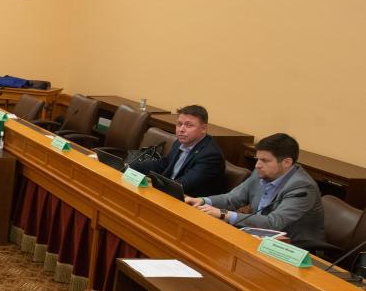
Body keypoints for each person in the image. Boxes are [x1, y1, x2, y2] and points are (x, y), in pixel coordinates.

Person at [186, 132, 325, 248]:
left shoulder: (302, 187)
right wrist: (202, 200)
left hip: (291, 248)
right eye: (257, 159)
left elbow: (274, 223)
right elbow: (232, 199)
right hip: (256, 237)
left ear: (286, 163)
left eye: (265, 160)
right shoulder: (262, 172)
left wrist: (224, 214)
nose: (258, 165)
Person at [127, 104, 225, 197]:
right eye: (179, 124)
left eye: (188, 125)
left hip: (190, 203)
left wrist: (152, 185)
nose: (181, 129)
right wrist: (130, 167)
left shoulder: (210, 155)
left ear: (203, 128)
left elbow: (184, 184)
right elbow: (163, 164)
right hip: (170, 193)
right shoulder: (179, 142)